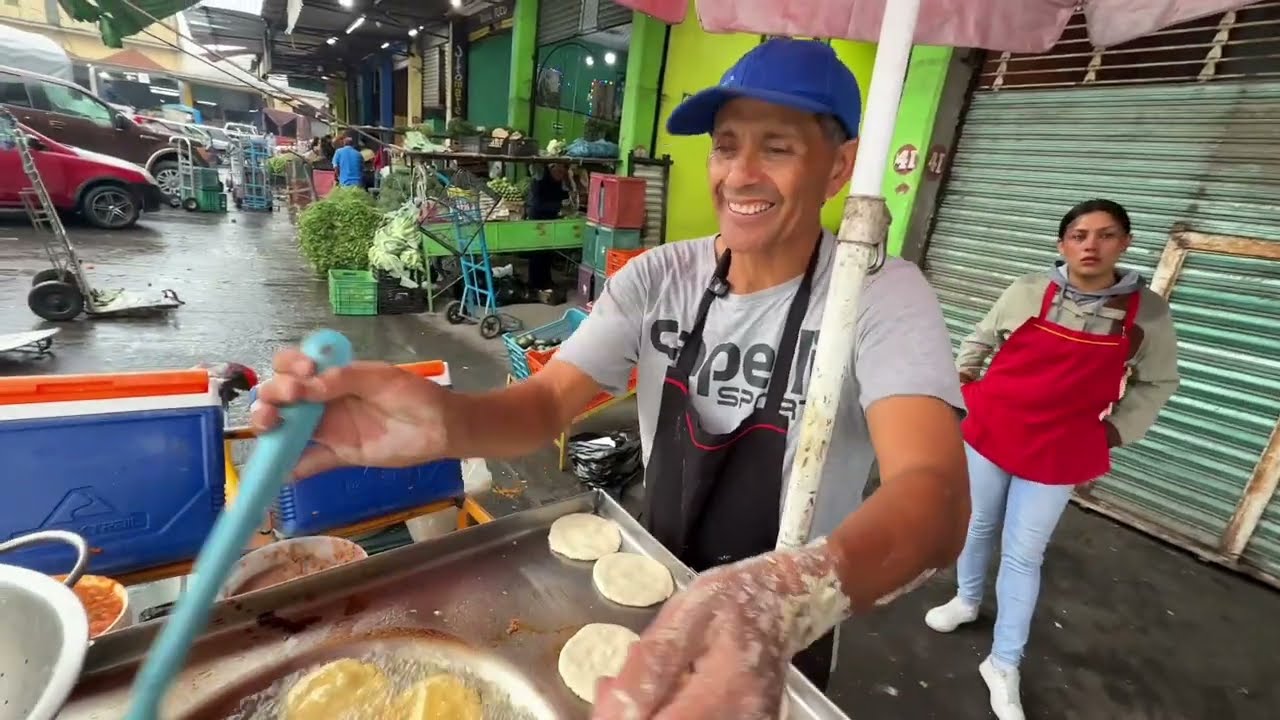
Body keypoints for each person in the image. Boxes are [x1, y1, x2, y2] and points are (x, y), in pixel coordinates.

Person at [252, 38, 971, 718]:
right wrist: (447, 423)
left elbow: (936, 499)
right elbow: (542, 405)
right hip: (647, 592)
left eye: (777, 148)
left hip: (788, 627)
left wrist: (783, 597)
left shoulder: (876, 294)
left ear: (839, 169)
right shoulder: (661, 277)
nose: (740, 174)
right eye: (726, 146)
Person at [924, 199, 1180, 720]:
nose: (1091, 245)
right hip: (994, 430)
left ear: (1124, 244)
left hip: (1062, 447)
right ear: (1062, 244)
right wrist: (962, 389)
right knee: (975, 526)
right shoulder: (1026, 291)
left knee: (1023, 555)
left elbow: (1158, 382)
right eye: (1080, 235)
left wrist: (1116, 431)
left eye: (1106, 235)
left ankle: (1003, 662)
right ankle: (967, 601)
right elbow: (979, 339)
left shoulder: (1146, 313)